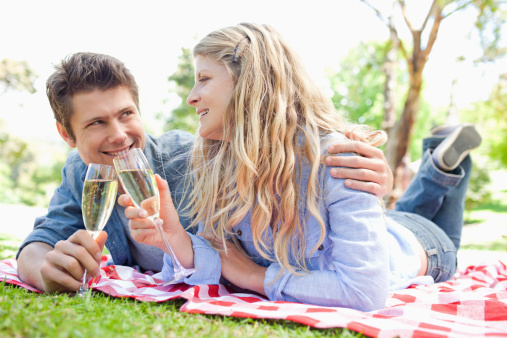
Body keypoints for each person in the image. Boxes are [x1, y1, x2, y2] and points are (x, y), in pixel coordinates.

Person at [120, 23, 481, 311]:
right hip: (382, 229)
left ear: (248, 82)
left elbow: (363, 292)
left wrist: (258, 277)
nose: (191, 96)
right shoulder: (219, 161)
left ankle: (441, 163)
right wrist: (175, 240)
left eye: (204, 79)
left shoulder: (337, 159)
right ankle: (441, 160)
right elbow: (224, 261)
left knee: (439, 233)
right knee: (400, 212)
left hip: (421, 249)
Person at [15, 52, 393, 293]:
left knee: (421, 233)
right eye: (97, 122)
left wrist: (356, 162)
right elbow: (41, 239)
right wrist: (43, 270)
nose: (119, 135)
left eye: (126, 114)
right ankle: (443, 171)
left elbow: (271, 148)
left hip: (386, 242)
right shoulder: (84, 172)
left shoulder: (189, 156)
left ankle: (440, 172)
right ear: (67, 134)